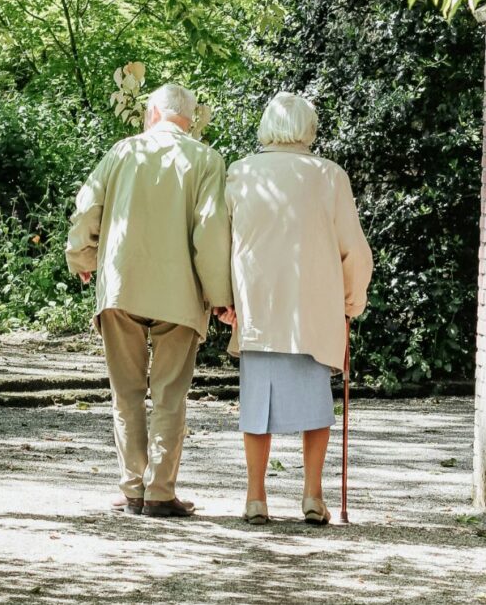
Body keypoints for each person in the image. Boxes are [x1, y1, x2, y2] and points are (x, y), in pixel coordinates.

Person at [65, 83, 234, 518]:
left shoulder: (122, 152)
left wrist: (82, 256)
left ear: (153, 113)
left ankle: (132, 488)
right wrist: (220, 297)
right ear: (190, 119)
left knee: (126, 392)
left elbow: (87, 208)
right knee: (169, 394)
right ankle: (160, 492)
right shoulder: (207, 160)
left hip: (122, 287)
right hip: (180, 294)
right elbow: (211, 232)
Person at [221, 91, 373, 525]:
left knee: (256, 406)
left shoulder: (241, 173)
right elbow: (355, 251)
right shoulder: (329, 176)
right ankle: (312, 495)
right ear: (309, 128)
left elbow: (221, 244)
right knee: (315, 406)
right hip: (313, 308)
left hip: (259, 306)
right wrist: (351, 300)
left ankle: (255, 497)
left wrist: (224, 300)